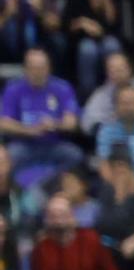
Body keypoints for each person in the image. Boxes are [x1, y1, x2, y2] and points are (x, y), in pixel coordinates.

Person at [1, 46, 86, 185]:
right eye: (33, 68)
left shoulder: (62, 88)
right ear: (25, 69)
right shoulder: (13, 88)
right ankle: (17, 190)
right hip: (24, 145)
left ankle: (50, 185)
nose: (37, 72)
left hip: (54, 144)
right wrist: (30, 130)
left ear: (49, 68)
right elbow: (4, 123)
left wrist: (54, 124)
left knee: (75, 155)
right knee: (6, 159)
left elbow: (71, 122)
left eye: (41, 68)